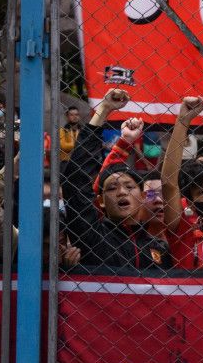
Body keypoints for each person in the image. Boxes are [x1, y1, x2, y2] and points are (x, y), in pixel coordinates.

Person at [62, 89, 171, 269]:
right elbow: (76, 180)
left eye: (129, 186)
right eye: (112, 188)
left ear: (143, 196)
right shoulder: (94, 236)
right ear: (101, 201)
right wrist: (103, 110)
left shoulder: (159, 248)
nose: (121, 192)